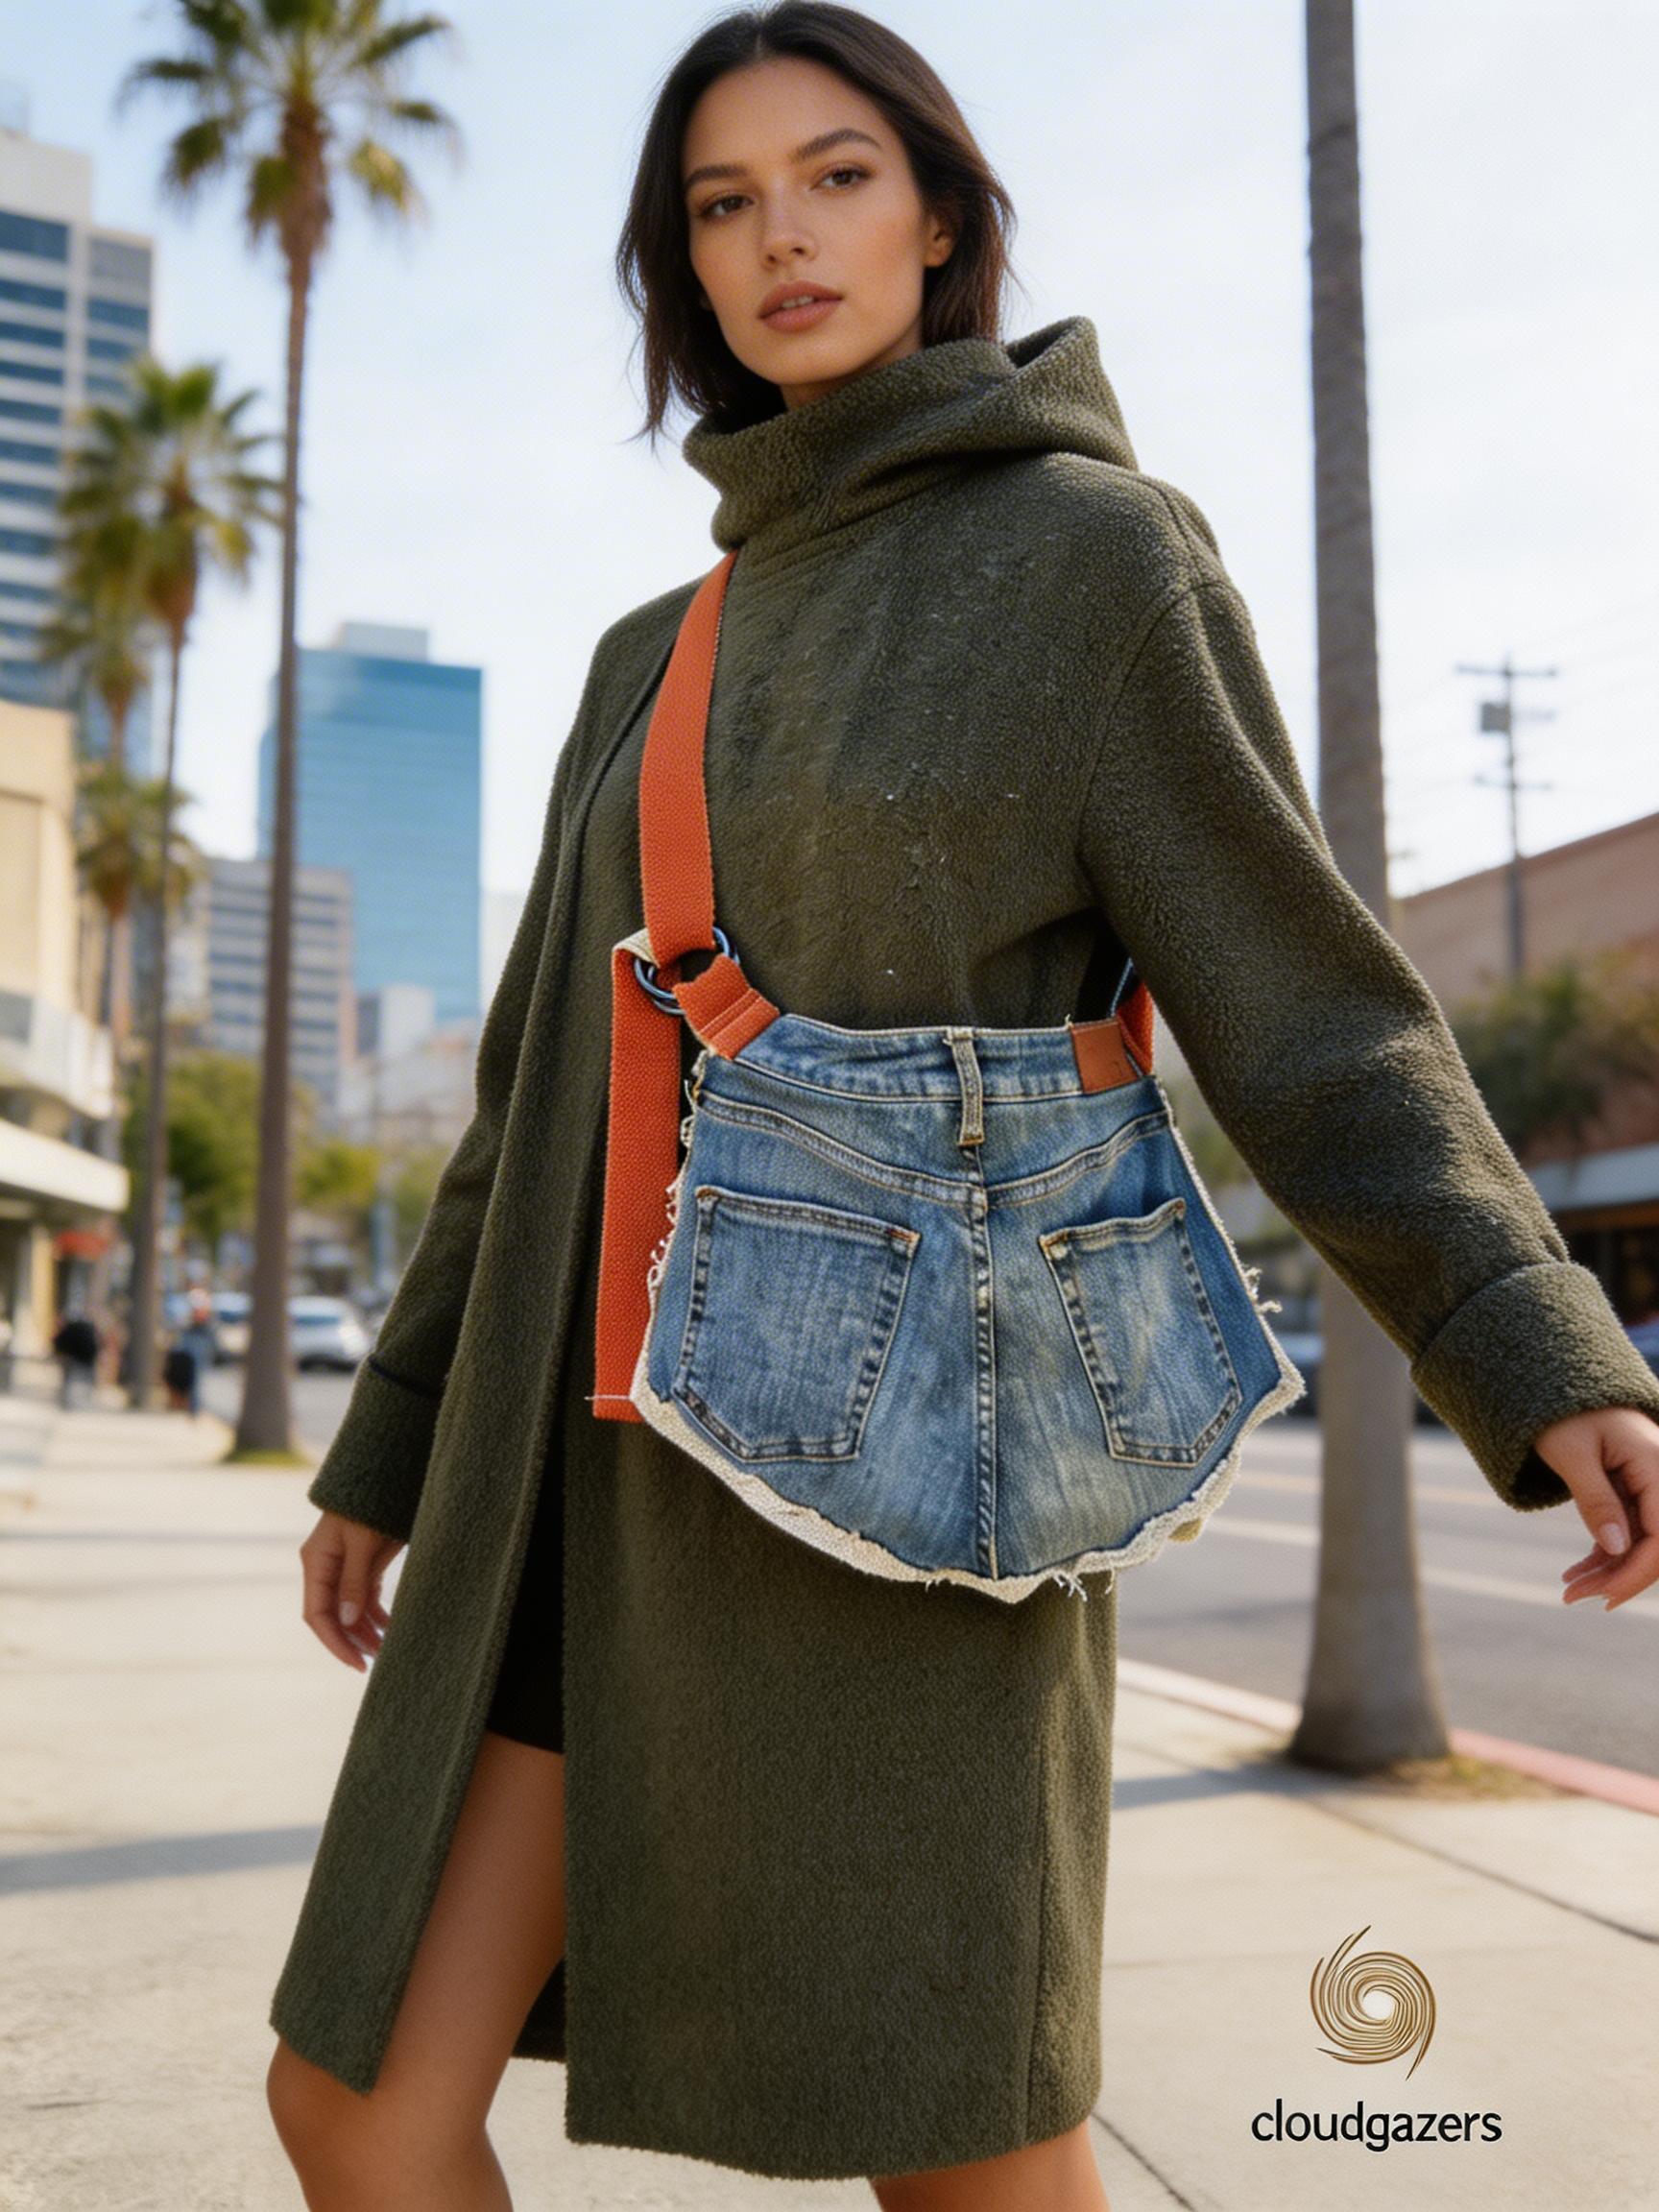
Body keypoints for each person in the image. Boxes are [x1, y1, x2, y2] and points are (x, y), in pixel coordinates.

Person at [264, 10, 1659, 2209]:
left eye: (830, 177)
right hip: (570, 1507)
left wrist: (1527, 1334)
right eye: (719, 207)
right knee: (355, 2104)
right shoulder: (653, 649)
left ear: (936, 213)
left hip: (912, 1491)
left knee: (963, 2162)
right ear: (682, 275)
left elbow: (1310, 1019)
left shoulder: (1096, 564)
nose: (779, 238)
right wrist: (387, 1443)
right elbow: (525, 1103)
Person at [51, 1306, 101, 1410]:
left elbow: (60, 1343)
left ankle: (69, 1402)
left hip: (77, 1358)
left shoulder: (70, 1329)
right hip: (86, 1357)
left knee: (70, 1381)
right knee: (85, 1380)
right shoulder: (86, 1327)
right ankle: (84, 1398)